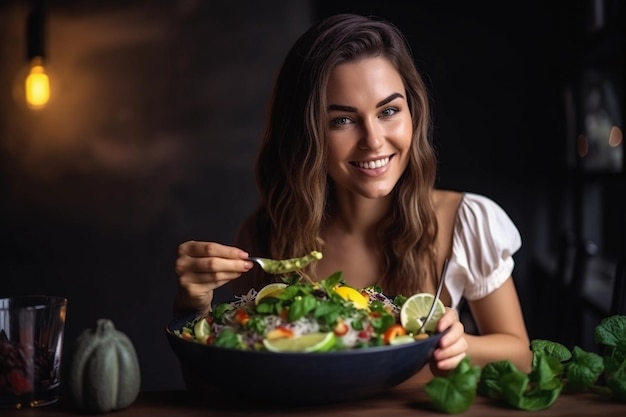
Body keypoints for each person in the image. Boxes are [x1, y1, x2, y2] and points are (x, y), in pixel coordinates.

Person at [174, 13, 532, 378]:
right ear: (305, 133)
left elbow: (520, 354)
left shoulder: (468, 223)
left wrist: (462, 345)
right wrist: (193, 306)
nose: (374, 141)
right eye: (342, 120)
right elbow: (220, 387)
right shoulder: (265, 235)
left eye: (389, 111)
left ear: (413, 112)